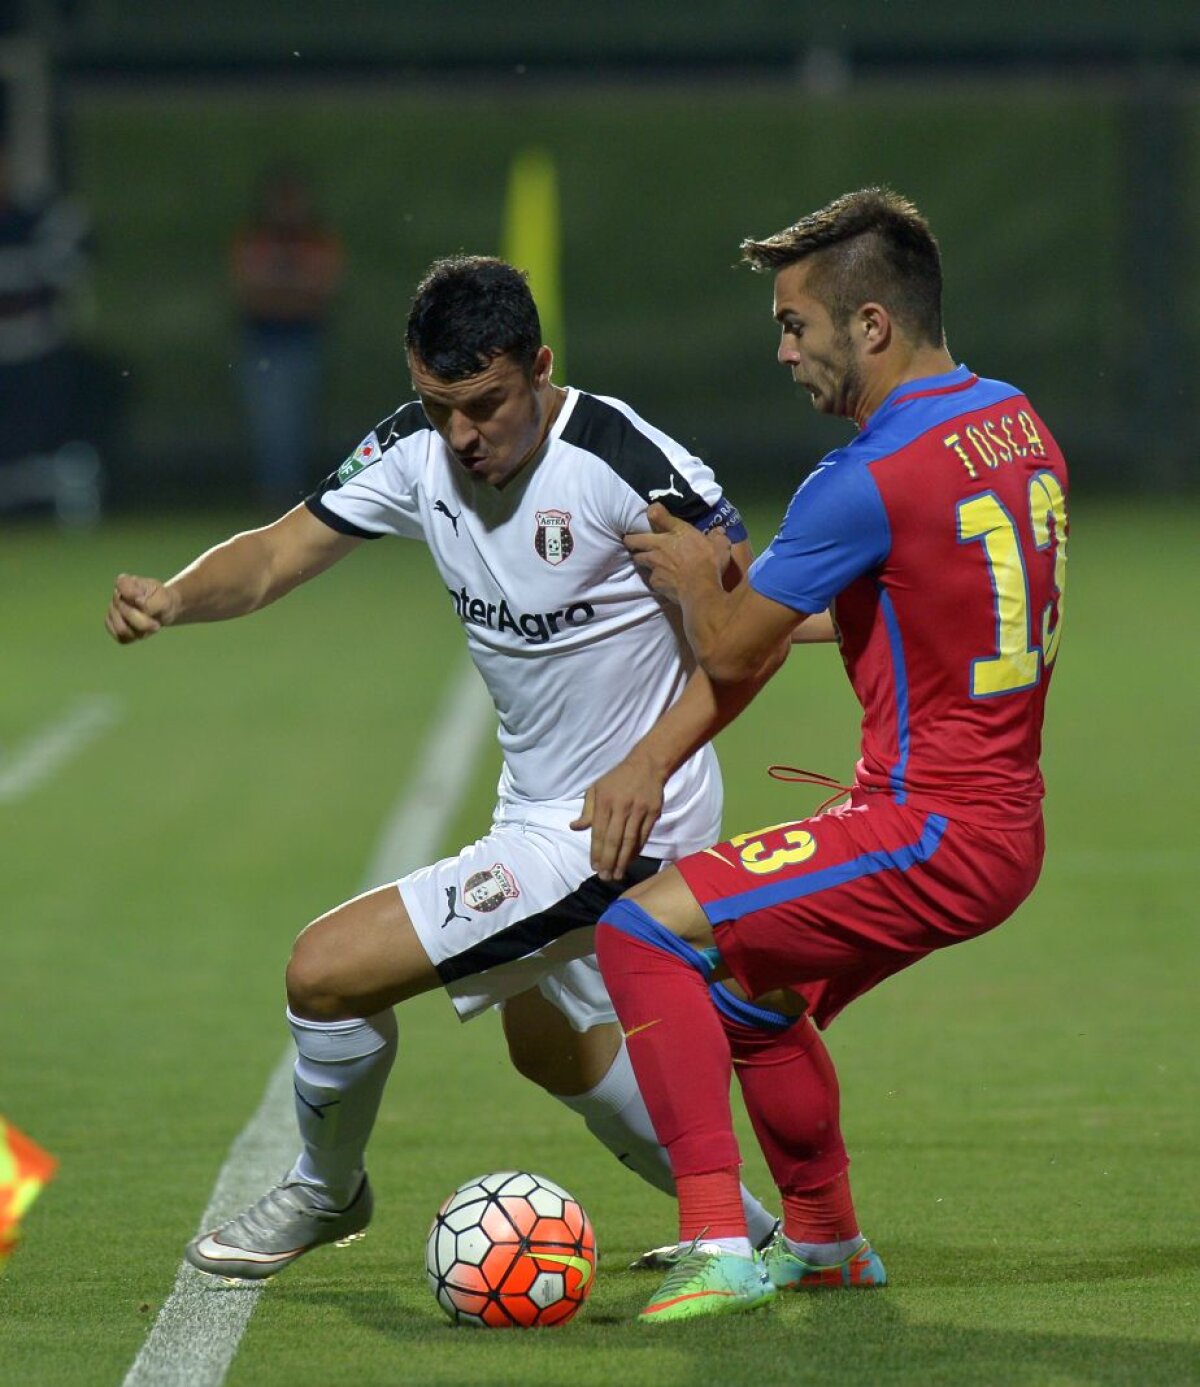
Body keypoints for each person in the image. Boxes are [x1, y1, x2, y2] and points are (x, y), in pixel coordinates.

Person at [105, 255, 782, 1280]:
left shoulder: (622, 460)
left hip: (627, 827)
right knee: (547, 1042)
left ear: (541, 369)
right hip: (538, 814)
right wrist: (176, 596)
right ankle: (748, 1232)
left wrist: (652, 758)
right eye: (439, 404)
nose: (463, 434)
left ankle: (326, 1192)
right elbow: (282, 551)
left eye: (486, 404)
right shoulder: (417, 445)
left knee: (323, 973)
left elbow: (750, 628)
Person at [594, 187, 1069, 1323]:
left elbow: (730, 650)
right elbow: (920, 596)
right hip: (1003, 817)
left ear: (870, 326)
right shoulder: (1014, 418)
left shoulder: (860, 477)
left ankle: (715, 1238)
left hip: (928, 829)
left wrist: (703, 577)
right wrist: (765, 602)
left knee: (641, 930)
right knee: (758, 998)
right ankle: (825, 1240)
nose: (782, 350)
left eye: (797, 323)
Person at [231, 164, 344, 510]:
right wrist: (289, 295)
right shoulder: (256, 240)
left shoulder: (316, 241)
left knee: (296, 422)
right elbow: (249, 292)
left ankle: (292, 496)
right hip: (264, 341)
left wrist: (282, 295)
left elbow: (319, 294)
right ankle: (274, 494)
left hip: (301, 340)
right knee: (269, 424)